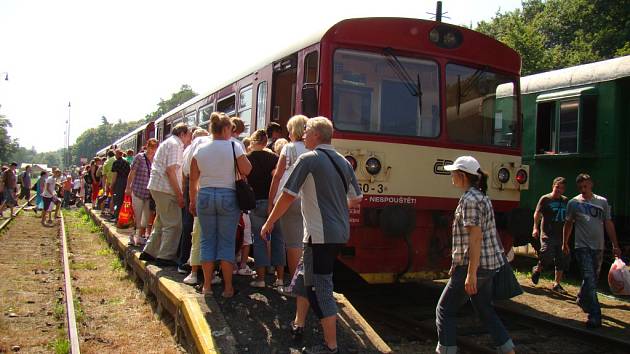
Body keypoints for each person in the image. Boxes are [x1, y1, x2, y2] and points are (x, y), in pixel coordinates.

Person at [261, 117, 362, 354]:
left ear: (317, 135)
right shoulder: (342, 161)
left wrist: (269, 221)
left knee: (320, 289)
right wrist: (336, 208)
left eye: (306, 131)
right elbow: (357, 197)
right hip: (334, 233)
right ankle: (298, 324)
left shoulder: (309, 159)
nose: (303, 135)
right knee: (303, 278)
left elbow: (287, 195)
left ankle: (331, 346)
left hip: (319, 236)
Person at [435, 156, 515, 354]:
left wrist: (470, 273)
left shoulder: (469, 200)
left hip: (475, 266)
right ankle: (508, 350)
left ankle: (445, 351)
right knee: (484, 309)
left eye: (453, 173)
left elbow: (475, 237)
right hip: (488, 265)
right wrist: (457, 261)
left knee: (444, 310)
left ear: (462, 176)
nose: (451, 176)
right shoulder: (482, 196)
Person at [189, 112, 252, 297]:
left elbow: (193, 179)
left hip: (205, 195)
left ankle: (207, 286)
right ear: (226, 129)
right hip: (228, 195)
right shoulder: (235, 146)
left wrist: (193, 200)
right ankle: (228, 288)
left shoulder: (200, 148)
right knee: (226, 242)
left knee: (207, 241)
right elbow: (247, 169)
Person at [563, 173, 622, 328]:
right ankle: (595, 315)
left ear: (591, 185)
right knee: (589, 278)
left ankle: (582, 297)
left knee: (592, 279)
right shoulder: (573, 203)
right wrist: (565, 243)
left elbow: (608, 223)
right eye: (581, 187)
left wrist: (615, 245)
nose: (583, 189)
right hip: (582, 246)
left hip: (598, 247)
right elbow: (568, 224)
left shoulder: (602, 202)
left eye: (586, 186)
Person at [140, 123, 191, 265]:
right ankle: (165, 257)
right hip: (165, 189)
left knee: (161, 221)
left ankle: (150, 252)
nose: (189, 139)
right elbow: (171, 171)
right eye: (188, 135)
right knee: (174, 224)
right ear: (182, 134)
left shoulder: (168, 143)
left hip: (158, 187)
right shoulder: (176, 145)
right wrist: (179, 194)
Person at [268, 115, 309, 285]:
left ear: (294, 130)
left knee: (293, 244)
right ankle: (309, 282)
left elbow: (277, 176)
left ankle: (295, 284)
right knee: (307, 242)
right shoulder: (314, 149)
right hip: (309, 199)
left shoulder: (289, 148)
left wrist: (271, 202)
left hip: (290, 199)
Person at [247, 129, 286, 290]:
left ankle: (261, 279)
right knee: (278, 239)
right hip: (274, 204)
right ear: (265, 141)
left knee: (259, 240)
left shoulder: (246, 159)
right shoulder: (274, 158)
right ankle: (280, 279)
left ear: (253, 141)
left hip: (255, 202)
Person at [531, 177, 570, 293]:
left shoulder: (565, 201)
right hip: (547, 233)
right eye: (557, 187)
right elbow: (537, 213)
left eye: (562, 188)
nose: (559, 190)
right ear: (553, 186)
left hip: (560, 235)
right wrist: (535, 228)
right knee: (547, 254)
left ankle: (557, 284)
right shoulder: (545, 199)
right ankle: (537, 269)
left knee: (562, 258)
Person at [178, 127, 208, 274]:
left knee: (188, 225)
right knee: (197, 227)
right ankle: (198, 265)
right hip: (198, 184)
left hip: (190, 184)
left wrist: (184, 194)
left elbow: (184, 174)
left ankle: (184, 260)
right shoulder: (202, 148)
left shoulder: (187, 150)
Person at [231, 117, 254, 276]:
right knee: (241, 229)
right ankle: (237, 263)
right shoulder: (236, 145)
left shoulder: (205, 145)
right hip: (235, 191)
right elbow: (245, 169)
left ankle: (229, 264)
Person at [126, 138, 159, 246]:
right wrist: (128, 187)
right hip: (138, 190)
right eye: (151, 147)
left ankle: (140, 237)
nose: (152, 150)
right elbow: (132, 172)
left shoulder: (155, 159)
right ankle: (131, 236)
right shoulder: (139, 157)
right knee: (136, 215)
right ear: (147, 146)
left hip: (149, 193)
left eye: (154, 148)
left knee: (145, 217)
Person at [110, 149, 131, 221]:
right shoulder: (127, 162)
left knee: (117, 200)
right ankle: (124, 216)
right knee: (124, 200)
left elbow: (115, 175)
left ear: (117, 154)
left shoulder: (116, 163)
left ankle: (116, 216)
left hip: (119, 182)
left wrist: (112, 185)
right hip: (126, 181)